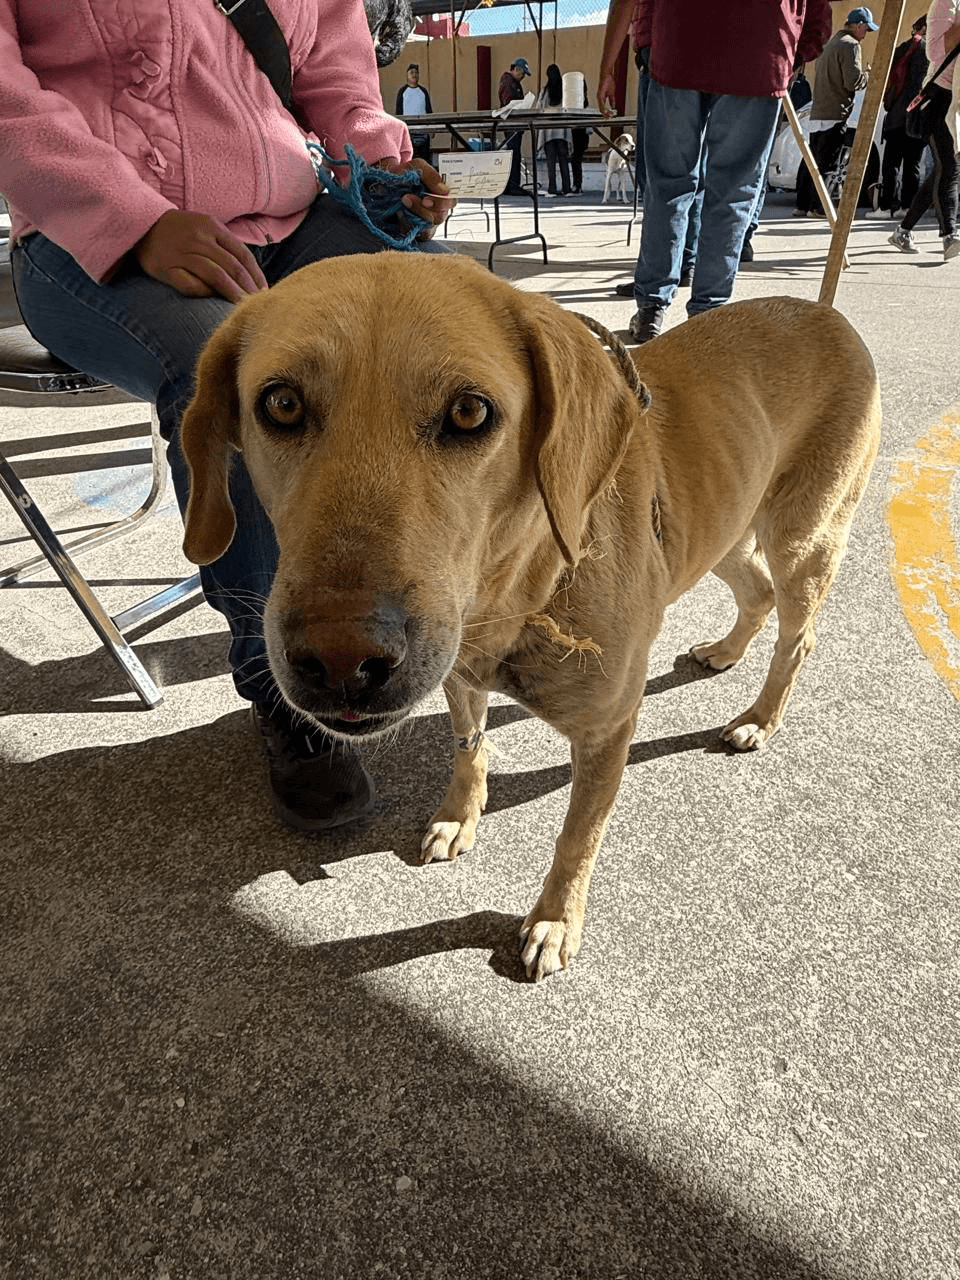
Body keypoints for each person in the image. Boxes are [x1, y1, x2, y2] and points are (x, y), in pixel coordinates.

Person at [0, 0, 454, 834]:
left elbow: (337, 75)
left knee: (453, 322)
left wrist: (388, 168)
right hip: (90, 238)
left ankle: (466, 598)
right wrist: (131, 220)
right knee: (233, 368)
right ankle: (284, 686)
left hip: (293, 218)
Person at [614, 0, 832, 344]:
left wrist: (647, 41)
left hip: (681, 40)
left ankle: (652, 306)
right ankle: (708, 314)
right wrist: (799, 49)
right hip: (760, 47)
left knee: (668, 185)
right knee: (733, 191)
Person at [889, 0, 960, 260]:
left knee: (944, 170)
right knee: (949, 168)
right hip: (939, 99)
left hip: (956, 99)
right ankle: (949, 235)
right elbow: (934, 52)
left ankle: (903, 230)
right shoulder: (945, 3)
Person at [795, 7, 875, 218]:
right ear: (858, 26)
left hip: (818, 111)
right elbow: (852, 80)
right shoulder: (851, 46)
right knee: (829, 163)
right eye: (866, 29)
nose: (866, 34)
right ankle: (820, 208)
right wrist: (867, 76)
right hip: (835, 112)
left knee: (812, 163)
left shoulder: (829, 44)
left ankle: (802, 205)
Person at [866, 14, 928, 220]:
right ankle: (907, 206)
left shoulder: (902, 49)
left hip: (895, 115)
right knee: (913, 164)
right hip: (917, 116)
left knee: (891, 164)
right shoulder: (930, 51)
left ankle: (885, 207)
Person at [536, 64, 573, 197]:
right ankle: (567, 188)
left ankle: (552, 188)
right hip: (562, 131)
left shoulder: (545, 91)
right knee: (564, 160)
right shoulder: (565, 90)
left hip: (548, 131)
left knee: (550, 162)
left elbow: (539, 107)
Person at [498, 56, 532, 196]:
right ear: (516, 70)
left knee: (513, 154)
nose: (523, 76)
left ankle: (511, 184)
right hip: (512, 123)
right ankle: (513, 185)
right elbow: (508, 102)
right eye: (522, 73)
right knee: (514, 154)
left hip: (513, 124)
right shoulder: (509, 83)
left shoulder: (511, 82)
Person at [395, 62, 433, 163]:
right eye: (411, 72)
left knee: (424, 159)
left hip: (423, 131)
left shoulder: (423, 91)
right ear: (407, 75)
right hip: (408, 132)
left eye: (416, 72)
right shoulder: (402, 92)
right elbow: (398, 113)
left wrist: (432, 127)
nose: (414, 74)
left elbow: (429, 110)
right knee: (409, 159)